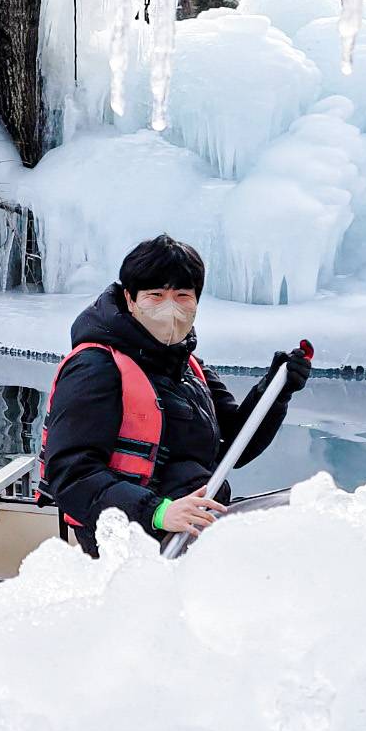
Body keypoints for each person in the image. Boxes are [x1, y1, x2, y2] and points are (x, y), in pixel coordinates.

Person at [38, 234, 311, 557]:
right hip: (128, 541)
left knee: (311, 509)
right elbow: (71, 475)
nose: (170, 308)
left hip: (194, 521)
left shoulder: (190, 367)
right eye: (155, 295)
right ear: (130, 298)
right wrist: (158, 512)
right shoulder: (96, 366)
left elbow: (238, 444)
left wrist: (275, 390)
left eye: (182, 295)